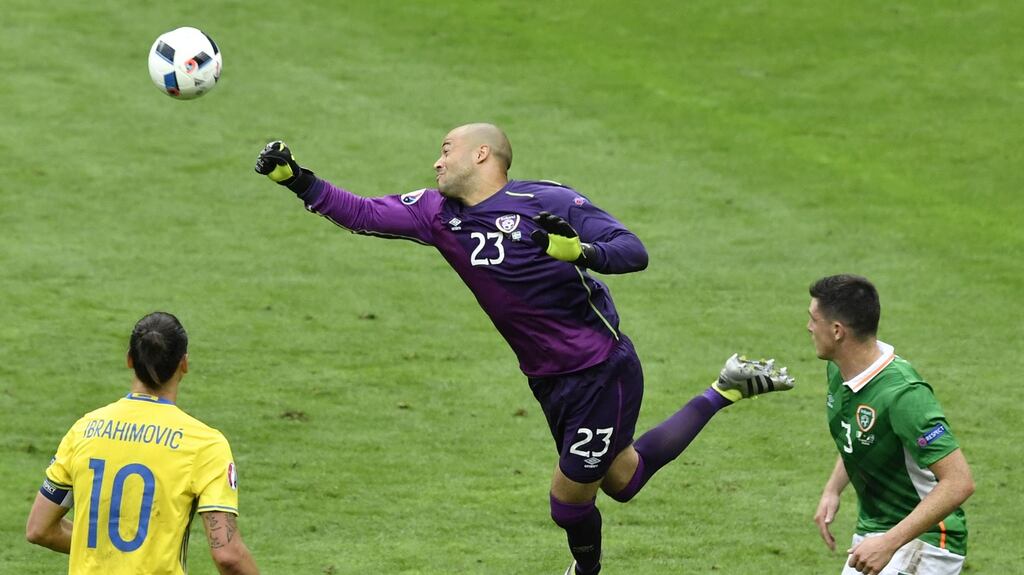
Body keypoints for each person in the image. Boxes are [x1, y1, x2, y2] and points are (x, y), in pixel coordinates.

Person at [255, 123, 794, 573]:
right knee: (623, 479)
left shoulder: (546, 201)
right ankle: (726, 388)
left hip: (600, 370)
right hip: (546, 378)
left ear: (482, 154)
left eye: (446, 150)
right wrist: (297, 181)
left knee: (568, 504)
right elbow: (365, 214)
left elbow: (633, 251)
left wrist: (578, 250)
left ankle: (586, 571)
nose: (437, 162)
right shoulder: (437, 213)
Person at [26, 312, 260, 575]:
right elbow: (228, 555)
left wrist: (107, 553)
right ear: (184, 364)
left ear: (129, 359)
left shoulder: (85, 429)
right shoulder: (205, 444)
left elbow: (39, 528)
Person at [807, 275, 975, 575]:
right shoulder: (840, 370)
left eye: (813, 319)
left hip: (928, 541)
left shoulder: (904, 394)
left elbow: (959, 482)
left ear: (836, 331)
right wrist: (833, 490)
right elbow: (858, 435)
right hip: (876, 531)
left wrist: (889, 542)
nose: (808, 327)